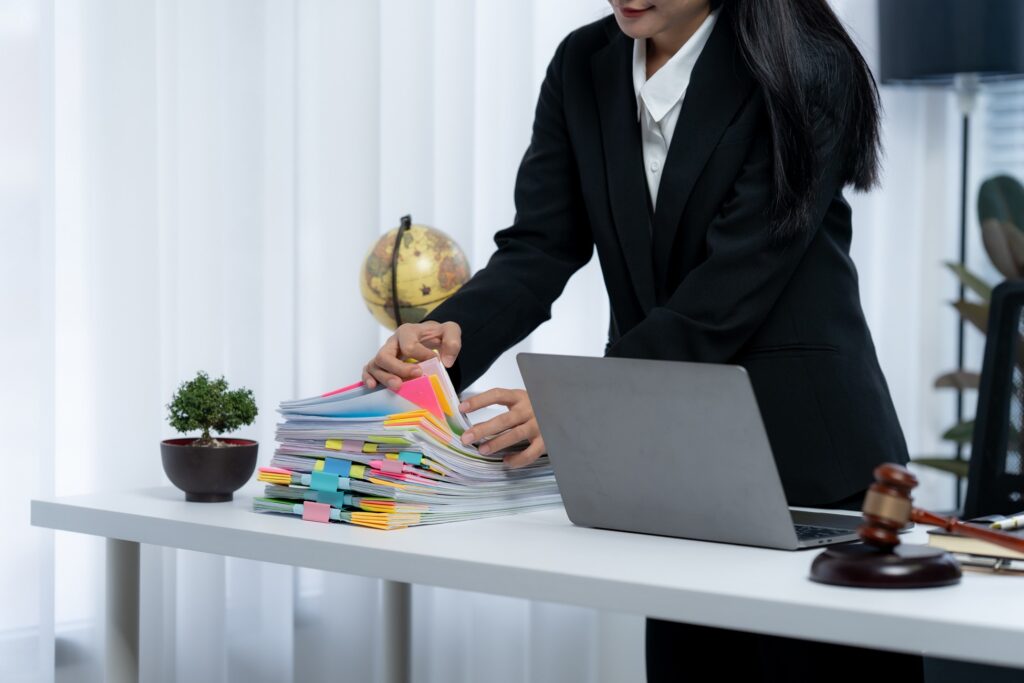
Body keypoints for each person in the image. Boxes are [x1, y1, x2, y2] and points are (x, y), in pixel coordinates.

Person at [364, 0, 920, 679]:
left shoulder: (808, 65)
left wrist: (586, 404)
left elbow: (733, 285)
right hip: (673, 468)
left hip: (806, 466)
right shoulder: (584, 64)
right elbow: (540, 244)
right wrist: (451, 335)